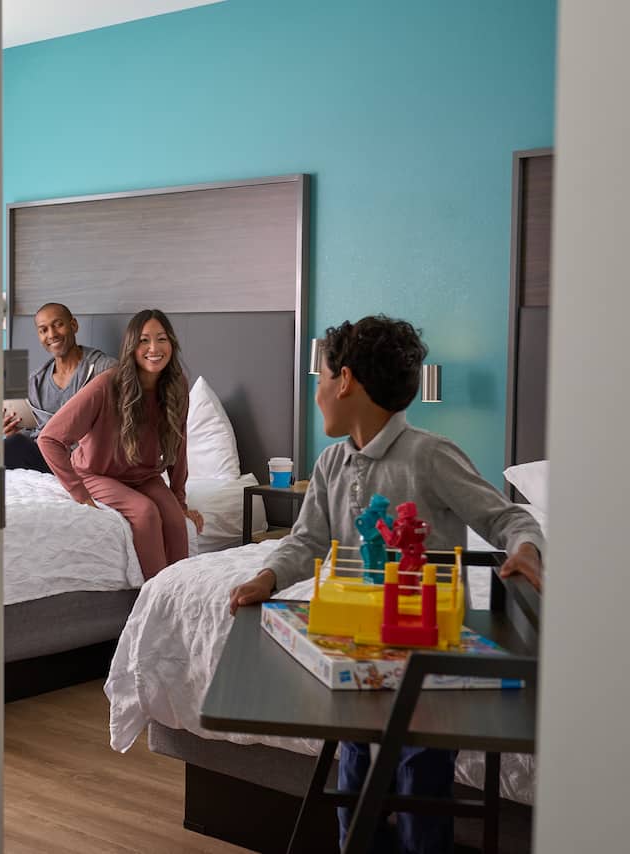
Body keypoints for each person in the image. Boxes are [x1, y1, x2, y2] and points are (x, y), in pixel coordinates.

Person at [227, 315, 544, 854]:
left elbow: (508, 518)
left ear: (345, 381)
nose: (318, 392)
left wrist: (525, 552)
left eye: (321, 378)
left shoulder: (429, 454)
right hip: (357, 651)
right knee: (355, 775)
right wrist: (268, 575)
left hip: (424, 655)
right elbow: (307, 543)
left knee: (422, 779)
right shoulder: (329, 462)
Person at [38, 309, 204, 579]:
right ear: (131, 346)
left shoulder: (176, 385)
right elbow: (49, 439)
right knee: (145, 511)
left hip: (144, 475)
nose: (154, 348)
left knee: (175, 520)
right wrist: (80, 494)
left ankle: (179, 596)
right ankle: (153, 599)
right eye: (143, 341)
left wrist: (179, 499)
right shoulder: (107, 385)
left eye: (161, 339)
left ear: (171, 344)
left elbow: (179, 444)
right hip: (95, 474)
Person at [3, 303, 116, 472]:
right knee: (10, 445)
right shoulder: (35, 382)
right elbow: (32, 434)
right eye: (44, 330)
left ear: (74, 325)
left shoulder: (104, 369)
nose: (52, 334)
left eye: (58, 324)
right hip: (48, 457)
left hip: (87, 458)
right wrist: (13, 433)